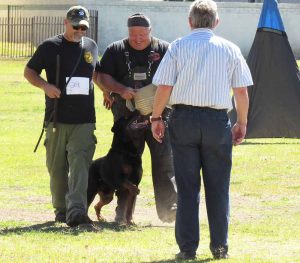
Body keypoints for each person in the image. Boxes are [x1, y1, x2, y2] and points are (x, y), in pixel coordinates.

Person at [151, 0, 253, 260]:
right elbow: (241, 91)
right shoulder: (230, 48)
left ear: (190, 21)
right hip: (217, 120)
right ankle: (219, 247)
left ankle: (187, 249)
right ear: (216, 22)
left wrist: (156, 117)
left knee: (187, 188)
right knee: (218, 187)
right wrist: (241, 122)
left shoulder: (177, 47)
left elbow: (164, 87)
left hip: (183, 118)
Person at [94, 13, 177, 223]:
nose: (138, 39)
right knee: (125, 163)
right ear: (128, 32)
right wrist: (120, 89)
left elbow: (175, 77)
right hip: (126, 118)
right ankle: (123, 212)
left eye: (142, 34)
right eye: (133, 35)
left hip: (159, 115)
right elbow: (102, 76)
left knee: (164, 159)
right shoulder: (116, 50)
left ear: (150, 31)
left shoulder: (164, 49)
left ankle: (170, 208)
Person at [24, 5, 98, 227]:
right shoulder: (50, 46)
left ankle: (76, 211)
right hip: (57, 118)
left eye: (84, 27)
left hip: (84, 119)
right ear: (66, 23)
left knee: (80, 163)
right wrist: (46, 86)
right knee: (56, 168)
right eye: (76, 26)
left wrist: (109, 93)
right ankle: (61, 210)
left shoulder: (91, 47)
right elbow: (29, 71)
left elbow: (95, 73)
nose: (80, 31)